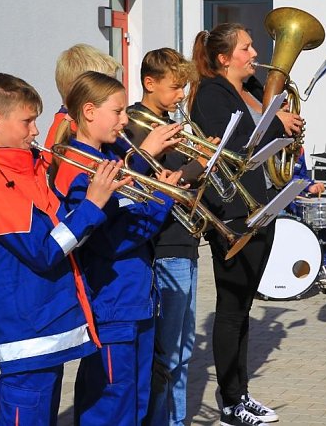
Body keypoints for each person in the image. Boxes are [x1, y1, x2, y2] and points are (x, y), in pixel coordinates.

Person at [0, 73, 115, 425]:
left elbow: (58, 230)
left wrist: (93, 196)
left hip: (42, 327)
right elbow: (43, 251)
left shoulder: (23, 171)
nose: (36, 131)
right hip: (27, 332)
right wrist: (92, 206)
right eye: (27, 121)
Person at [188, 23, 304, 426]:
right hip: (233, 211)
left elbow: (264, 138)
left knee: (244, 307)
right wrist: (277, 125)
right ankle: (231, 401)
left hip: (261, 206)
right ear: (224, 59)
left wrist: (288, 129)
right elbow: (236, 146)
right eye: (246, 47)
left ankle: (240, 392)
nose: (255, 53)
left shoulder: (251, 90)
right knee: (231, 309)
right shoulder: (211, 94)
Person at [49, 71, 180, 426]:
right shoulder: (79, 170)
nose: (126, 120)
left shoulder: (109, 157)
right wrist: (161, 201)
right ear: (89, 112)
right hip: (110, 306)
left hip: (133, 299)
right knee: (110, 406)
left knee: (134, 405)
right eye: (118, 111)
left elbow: (127, 216)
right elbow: (111, 242)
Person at [122, 48, 204, 426]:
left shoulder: (169, 123)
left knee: (183, 350)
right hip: (166, 246)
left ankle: (177, 419)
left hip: (185, 244)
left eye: (184, 87)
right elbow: (147, 186)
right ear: (149, 83)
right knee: (168, 353)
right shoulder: (137, 129)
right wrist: (194, 168)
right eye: (175, 88)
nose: (181, 95)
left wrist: (204, 161)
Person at [46, 42, 181, 169]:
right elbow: (123, 180)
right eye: (107, 85)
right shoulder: (72, 135)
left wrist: (157, 149)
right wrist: (147, 152)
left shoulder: (95, 128)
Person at [287, 149, 326, 281]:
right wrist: (307, 187)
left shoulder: (299, 149)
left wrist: (312, 185)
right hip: (280, 199)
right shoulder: (276, 146)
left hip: (298, 198)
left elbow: (302, 175)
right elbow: (284, 177)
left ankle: (323, 264)